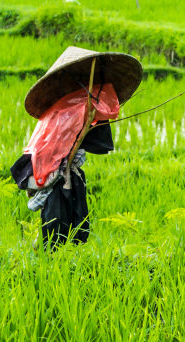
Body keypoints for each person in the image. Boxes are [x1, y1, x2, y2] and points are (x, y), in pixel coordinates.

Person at [9, 47, 143, 248]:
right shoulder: (63, 109)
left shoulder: (88, 102)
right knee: (56, 221)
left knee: (70, 219)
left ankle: (61, 254)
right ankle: (49, 254)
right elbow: (48, 150)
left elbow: (96, 142)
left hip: (66, 173)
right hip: (54, 173)